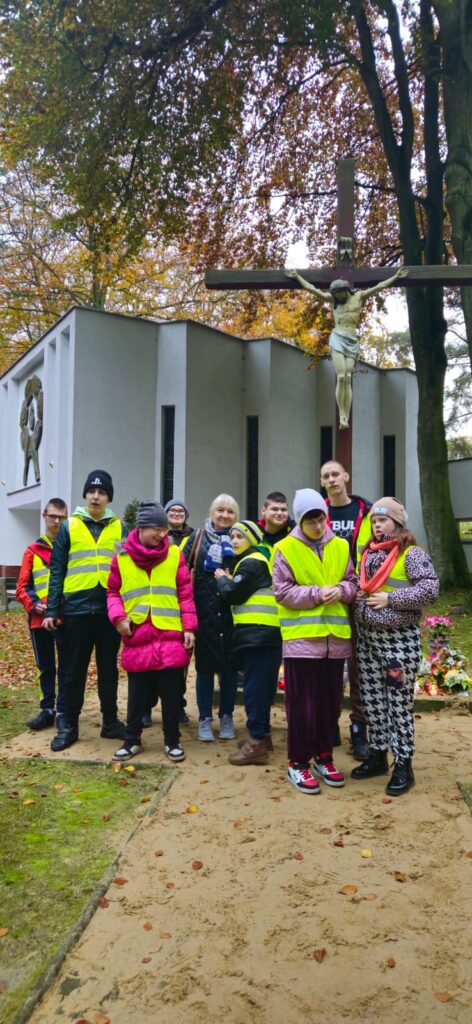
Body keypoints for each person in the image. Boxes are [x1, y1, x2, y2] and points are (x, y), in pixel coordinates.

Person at [272, 488, 358, 795]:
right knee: (302, 706)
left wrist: (343, 591)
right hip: (302, 640)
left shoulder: (340, 545)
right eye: (310, 520)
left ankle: (324, 757)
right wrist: (317, 594)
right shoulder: (285, 548)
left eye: (320, 518)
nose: (318, 525)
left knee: (329, 705)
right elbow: (282, 592)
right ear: (299, 520)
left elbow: (352, 581)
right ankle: (298, 763)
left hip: (335, 641)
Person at [351, 497, 439, 796]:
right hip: (369, 642)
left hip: (398, 643)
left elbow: (430, 589)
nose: (377, 525)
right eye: (374, 521)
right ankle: (378, 754)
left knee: (398, 705)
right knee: (373, 703)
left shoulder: (411, 554)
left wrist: (391, 599)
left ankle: (404, 763)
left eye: (383, 520)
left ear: (398, 523)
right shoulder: (368, 554)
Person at [107, 501, 197, 763]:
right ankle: (132, 739)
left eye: (165, 529)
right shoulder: (121, 557)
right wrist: (118, 618)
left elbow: (185, 593)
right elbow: (112, 592)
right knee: (137, 694)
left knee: (171, 694)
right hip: (137, 634)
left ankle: (172, 741)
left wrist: (189, 627)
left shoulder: (174, 555)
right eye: (157, 528)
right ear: (141, 528)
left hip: (169, 634)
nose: (162, 534)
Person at [44, 470, 127, 751]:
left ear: (108, 497)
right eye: (91, 491)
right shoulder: (69, 526)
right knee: (72, 671)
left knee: (108, 670)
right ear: (85, 495)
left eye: (102, 492)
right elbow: (57, 570)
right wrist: (52, 609)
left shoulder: (120, 528)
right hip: (76, 610)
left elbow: (128, 571)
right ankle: (68, 725)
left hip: (109, 611)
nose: (95, 496)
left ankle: (111, 722)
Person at [285, 268, 409, 428]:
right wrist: (297, 277)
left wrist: (396, 276)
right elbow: (312, 290)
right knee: (341, 377)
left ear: (345, 290)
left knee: (348, 378)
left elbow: (380, 286)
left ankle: (346, 415)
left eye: (339, 294)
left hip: (352, 340)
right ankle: (341, 416)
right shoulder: (332, 300)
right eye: (335, 295)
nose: (337, 297)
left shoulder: (358, 296)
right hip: (337, 338)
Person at [215, 520, 282, 765]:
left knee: (255, 690)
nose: (234, 541)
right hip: (263, 635)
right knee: (262, 688)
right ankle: (262, 737)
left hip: (259, 635)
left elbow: (233, 593)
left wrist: (222, 578)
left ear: (252, 539)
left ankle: (256, 742)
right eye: (231, 536)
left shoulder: (252, 562)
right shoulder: (257, 560)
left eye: (239, 536)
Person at [320, 458, 372, 759]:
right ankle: (328, 726)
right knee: (326, 661)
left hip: (358, 594)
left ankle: (358, 728)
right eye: (326, 476)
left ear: (346, 476)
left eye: (335, 474)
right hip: (326, 595)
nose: (332, 479)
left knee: (357, 666)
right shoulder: (317, 513)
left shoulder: (365, 511)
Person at [182, 493, 239, 741]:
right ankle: (205, 718)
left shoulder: (240, 538)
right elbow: (181, 569)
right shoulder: (197, 537)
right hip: (202, 613)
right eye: (220, 510)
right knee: (204, 669)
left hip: (231, 614)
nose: (225, 515)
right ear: (211, 512)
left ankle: (226, 716)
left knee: (229, 670)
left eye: (230, 512)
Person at [141, 497, 195, 728]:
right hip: (150, 612)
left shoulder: (195, 537)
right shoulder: (148, 542)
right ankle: (145, 707)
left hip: (178, 610)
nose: (176, 513)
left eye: (180, 510)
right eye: (171, 510)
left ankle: (177, 706)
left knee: (178, 665)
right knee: (148, 664)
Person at [16, 497, 69, 730]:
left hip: (66, 618)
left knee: (67, 666)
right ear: (44, 516)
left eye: (61, 517)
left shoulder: (70, 549)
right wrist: (34, 604)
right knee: (45, 666)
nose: (56, 521)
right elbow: (22, 586)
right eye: (53, 516)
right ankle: (48, 708)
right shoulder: (32, 551)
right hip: (39, 620)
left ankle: (65, 710)